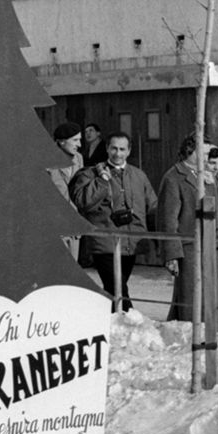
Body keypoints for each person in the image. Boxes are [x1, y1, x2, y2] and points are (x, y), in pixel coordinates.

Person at [70, 134, 154, 312]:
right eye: (114, 148)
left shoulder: (138, 175)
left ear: (129, 151)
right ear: (107, 148)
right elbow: (83, 202)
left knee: (115, 290)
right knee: (118, 289)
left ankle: (108, 324)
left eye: (122, 149)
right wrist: (102, 181)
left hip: (131, 242)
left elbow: (152, 206)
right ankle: (133, 323)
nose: (118, 153)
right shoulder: (90, 174)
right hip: (104, 242)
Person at [157, 135, 218, 325]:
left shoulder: (205, 176)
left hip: (210, 246)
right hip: (189, 249)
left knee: (210, 299)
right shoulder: (174, 177)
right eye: (205, 153)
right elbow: (168, 219)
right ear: (190, 151)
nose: (208, 157)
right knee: (189, 299)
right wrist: (172, 254)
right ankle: (188, 337)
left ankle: (211, 336)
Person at [48, 123, 85, 259]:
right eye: (75, 140)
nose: (79, 144)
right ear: (62, 142)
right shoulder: (45, 161)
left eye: (80, 140)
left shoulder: (78, 158)